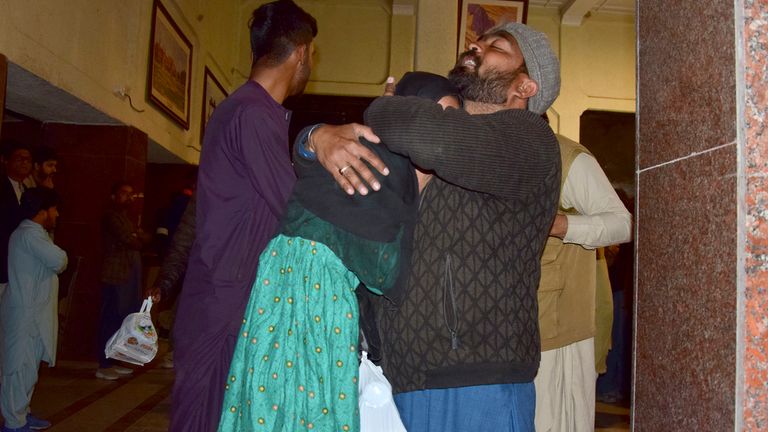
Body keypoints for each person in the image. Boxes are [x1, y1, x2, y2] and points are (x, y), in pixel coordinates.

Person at [306, 22, 561, 431]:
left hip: (478, 383)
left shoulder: (529, 137)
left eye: (497, 46)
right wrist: (314, 136)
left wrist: (386, 105)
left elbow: (418, 130)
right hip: (402, 381)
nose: (476, 45)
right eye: (479, 40)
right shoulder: (447, 145)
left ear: (526, 87)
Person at [216, 72, 460, 432]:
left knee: (270, 403)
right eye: (438, 112)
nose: (443, 126)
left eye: (452, 118)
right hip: (315, 297)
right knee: (310, 405)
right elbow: (384, 273)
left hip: (279, 286)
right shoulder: (379, 159)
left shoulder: (381, 157)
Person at [169, 2, 319, 431]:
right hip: (224, 302)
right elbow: (295, 209)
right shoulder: (253, 114)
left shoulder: (253, 111)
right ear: (302, 54)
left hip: (227, 297)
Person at [534, 134, 632, 432]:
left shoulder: (566, 157)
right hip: (507, 333)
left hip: (557, 333)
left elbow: (622, 224)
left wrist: (559, 225)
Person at [1, 187, 67, 432]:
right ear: (43, 211)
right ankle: (13, 423)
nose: (57, 214)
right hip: (25, 314)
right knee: (18, 369)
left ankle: (22, 414)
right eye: (54, 209)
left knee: (28, 369)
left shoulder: (35, 234)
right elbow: (60, 260)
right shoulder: (29, 235)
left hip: (32, 313)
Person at [95, 182, 146, 380]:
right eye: (124, 193)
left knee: (121, 318)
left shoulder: (126, 216)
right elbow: (129, 239)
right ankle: (103, 362)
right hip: (114, 275)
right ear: (114, 195)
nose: (128, 198)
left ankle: (114, 358)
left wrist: (138, 236)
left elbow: (141, 237)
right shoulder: (111, 216)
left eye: (131, 194)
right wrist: (136, 236)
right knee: (110, 316)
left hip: (127, 275)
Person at [0, 141, 33, 305]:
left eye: (28, 159)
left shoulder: (27, 191)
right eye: (19, 158)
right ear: (5, 160)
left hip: (18, 265)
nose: (25, 163)